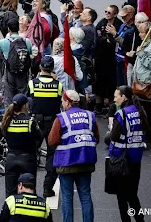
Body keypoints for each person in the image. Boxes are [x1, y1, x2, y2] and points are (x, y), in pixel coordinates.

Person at [48, 89, 99, 222]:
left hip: (66, 163)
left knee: (67, 198)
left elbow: (52, 140)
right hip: (86, 162)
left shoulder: (61, 118)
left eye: (62, 101)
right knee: (85, 195)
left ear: (67, 103)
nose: (61, 104)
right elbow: (96, 138)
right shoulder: (90, 116)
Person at [107, 86, 148, 222]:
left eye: (116, 96)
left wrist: (110, 130)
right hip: (136, 158)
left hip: (121, 159)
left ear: (124, 97)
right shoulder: (139, 111)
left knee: (122, 197)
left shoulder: (122, 114)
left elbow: (113, 136)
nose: (114, 99)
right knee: (132, 195)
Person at [27, 56, 62, 198]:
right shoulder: (58, 85)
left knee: (31, 155)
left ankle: (30, 188)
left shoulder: (32, 83)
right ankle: (48, 188)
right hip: (53, 122)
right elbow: (59, 101)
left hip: (35, 123)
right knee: (52, 155)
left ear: (40, 67)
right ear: (52, 68)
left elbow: (28, 100)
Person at [2, 94, 41, 196]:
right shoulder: (30, 121)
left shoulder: (7, 120)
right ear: (24, 106)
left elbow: (4, 135)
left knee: (10, 193)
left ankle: (10, 210)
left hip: (10, 159)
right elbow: (38, 138)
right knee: (29, 191)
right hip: (27, 159)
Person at [0, 19, 35, 103]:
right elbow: (30, 53)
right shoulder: (26, 41)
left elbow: (0, 53)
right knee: (22, 92)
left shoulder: (3, 42)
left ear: (8, 29)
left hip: (9, 71)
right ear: (18, 28)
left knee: (9, 94)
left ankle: (10, 112)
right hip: (23, 71)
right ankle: (22, 111)